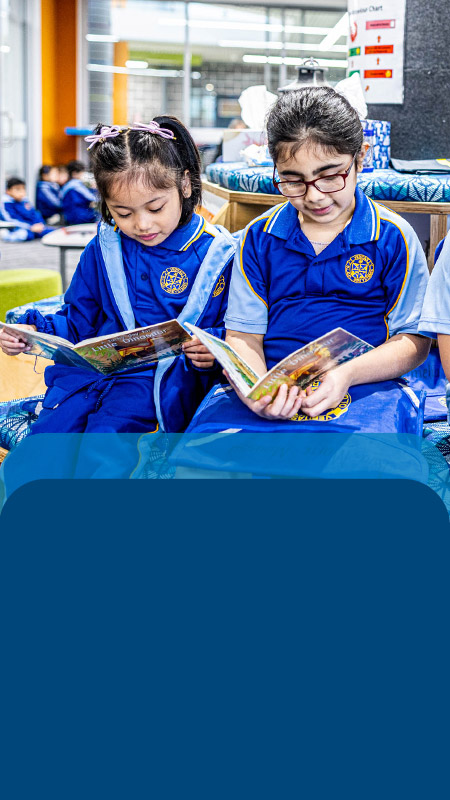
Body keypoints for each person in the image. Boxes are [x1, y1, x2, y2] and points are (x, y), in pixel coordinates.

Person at [191, 86, 431, 434]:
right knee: (204, 461)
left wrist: (347, 374)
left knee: (361, 472)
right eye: (292, 180)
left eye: (331, 175)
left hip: (366, 386)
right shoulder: (260, 238)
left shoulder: (394, 237)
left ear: (360, 158)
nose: (314, 195)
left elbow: (413, 343)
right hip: (274, 381)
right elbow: (244, 336)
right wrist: (258, 390)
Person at [0, 117, 236, 449]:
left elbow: (237, 332)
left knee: (106, 443)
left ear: (184, 185)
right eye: (123, 213)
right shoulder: (106, 247)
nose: (142, 224)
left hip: (159, 383)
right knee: (47, 440)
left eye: (155, 207)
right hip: (91, 375)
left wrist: (212, 347)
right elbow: (79, 321)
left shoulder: (216, 254)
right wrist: (32, 332)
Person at [0, 177, 54, 241]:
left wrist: (39, 224)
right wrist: (30, 227)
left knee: (52, 232)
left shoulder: (25, 201)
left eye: (23, 189)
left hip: (32, 228)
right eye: (18, 189)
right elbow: (11, 221)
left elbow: (35, 214)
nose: (21, 192)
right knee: (24, 234)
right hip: (17, 229)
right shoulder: (6, 204)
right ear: (8, 191)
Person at [60, 159, 99, 225]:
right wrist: (94, 189)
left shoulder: (68, 186)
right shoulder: (76, 187)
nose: (83, 175)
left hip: (72, 218)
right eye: (82, 173)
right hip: (80, 219)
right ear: (74, 173)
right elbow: (93, 198)